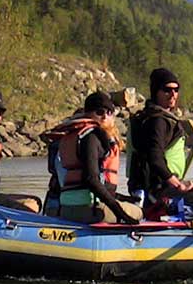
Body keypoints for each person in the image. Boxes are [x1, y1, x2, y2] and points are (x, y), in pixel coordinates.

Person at [41, 91, 142, 224]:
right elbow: (91, 180)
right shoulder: (92, 137)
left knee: (130, 204)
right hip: (91, 211)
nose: (105, 116)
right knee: (139, 212)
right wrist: (121, 213)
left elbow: (90, 185)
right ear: (88, 113)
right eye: (99, 112)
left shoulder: (73, 135)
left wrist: (125, 199)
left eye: (109, 112)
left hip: (66, 209)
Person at [127, 68, 193, 219]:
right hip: (162, 190)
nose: (173, 94)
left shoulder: (152, 118)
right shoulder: (158, 121)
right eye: (167, 90)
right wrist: (177, 184)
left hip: (159, 187)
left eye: (176, 90)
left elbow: (163, 147)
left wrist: (192, 143)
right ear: (156, 92)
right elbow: (154, 158)